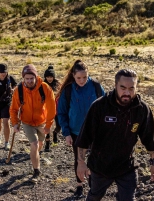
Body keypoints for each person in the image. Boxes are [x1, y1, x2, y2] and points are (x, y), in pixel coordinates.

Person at [76, 69, 154, 201]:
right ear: (115, 86)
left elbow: (150, 139)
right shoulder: (99, 106)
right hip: (100, 166)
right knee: (95, 196)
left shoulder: (141, 109)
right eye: (123, 88)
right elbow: (84, 138)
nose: (127, 92)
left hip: (126, 166)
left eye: (131, 88)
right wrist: (81, 163)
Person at [57, 60, 105, 198]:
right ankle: (79, 185)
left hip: (95, 132)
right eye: (78, 78)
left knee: (94, 159)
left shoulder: (96, 86)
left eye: (85, 77)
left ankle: (92, 184)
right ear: (73, 75)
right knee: (79, 159)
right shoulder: (68, 90)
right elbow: (62, 113)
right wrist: (66, 133)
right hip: (76, 133)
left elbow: (105, 107)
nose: (82, 80)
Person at [9, 64, 56, 180]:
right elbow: (13, 109)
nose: (29, 81)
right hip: (27, 122)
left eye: (31, 78)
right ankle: (36, 170)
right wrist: (15, 123)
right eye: (27, 79)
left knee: (40, 145)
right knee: (34, 144)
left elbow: (52, 108)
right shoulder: (18, 90)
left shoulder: (45, 88)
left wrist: (49, 125)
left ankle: (35, 155)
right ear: (23, 78)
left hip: (42, 122)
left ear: (36, 77)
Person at [43, 65, 61, 152]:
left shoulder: (58, 84)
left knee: (59, 126)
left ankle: (55, 133)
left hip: (57, 109)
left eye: (51, 77)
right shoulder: (42, 85)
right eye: (48, 77)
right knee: (47, 127)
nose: (49, 78)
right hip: (47, 109)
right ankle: (47, 145)